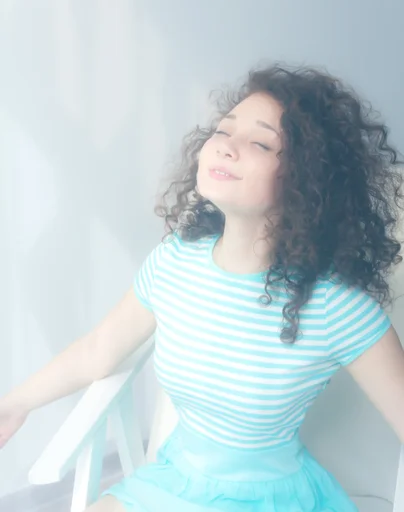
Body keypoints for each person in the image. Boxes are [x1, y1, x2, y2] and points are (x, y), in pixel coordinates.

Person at [1, 64, 404, 512]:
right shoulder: (175, 261)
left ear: (308, 179)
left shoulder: (337, 308)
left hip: (268, 501)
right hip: (173, 483)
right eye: (222, 130)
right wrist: (14, 405)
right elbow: (99, 349)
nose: (225, 147)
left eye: (260, 142)